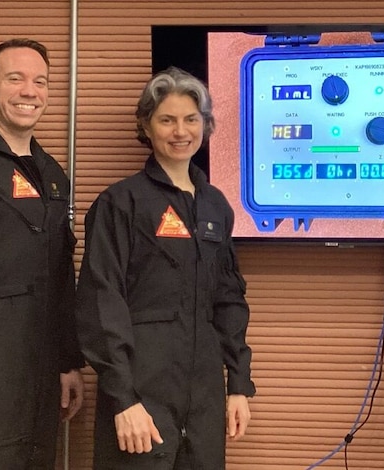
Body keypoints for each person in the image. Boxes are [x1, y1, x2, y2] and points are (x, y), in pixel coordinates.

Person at [75, 66, 256, 469]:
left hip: (204, 400)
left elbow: (229, 301)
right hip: (141, 397)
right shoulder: (120, 204)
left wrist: (238, 386)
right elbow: (101, 302)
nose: (180, 131)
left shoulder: (216, 207)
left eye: (191, 119)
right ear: (146, 125)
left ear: (205, 125)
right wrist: (123, 400)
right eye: (167, 120)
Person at [0, 38, 85, 468]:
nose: (31, 91)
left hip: (41, 389)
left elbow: (62, 276)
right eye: (16, 78)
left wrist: (68, 361)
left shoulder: (52, 175)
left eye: (40, 81)